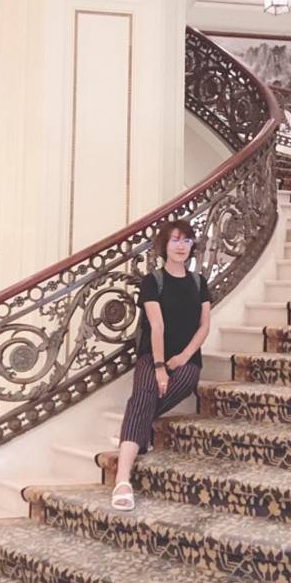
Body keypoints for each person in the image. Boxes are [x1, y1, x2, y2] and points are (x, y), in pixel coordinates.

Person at [111, 218, 212, 510]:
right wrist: (159, 368)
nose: (181, 246)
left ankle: (132, 430)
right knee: (144, 394)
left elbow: (204, 326)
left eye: (186, 240)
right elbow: (157, 326)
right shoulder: (152, 281)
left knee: (182, 383)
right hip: (152, 356)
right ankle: (122, 479)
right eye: (175, 240)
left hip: (187, 359)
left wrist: (184, 357)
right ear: (164, 246)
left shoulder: (199, 282)